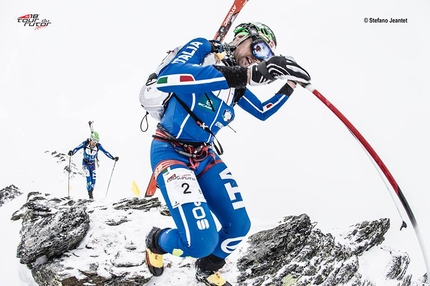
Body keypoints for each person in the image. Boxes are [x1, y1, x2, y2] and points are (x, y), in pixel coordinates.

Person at [143, 22, 311, 285]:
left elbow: (264, 111)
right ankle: (156, 241)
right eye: (258, 48)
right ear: (241, 38)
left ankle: (207, 268)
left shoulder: (236, 84)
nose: (257, 58)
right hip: (170, 150)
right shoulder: (203, 48)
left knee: (238, 226)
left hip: (204, 155)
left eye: (266, 56)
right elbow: (168, 76)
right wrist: (247, 75)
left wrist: (290, 84)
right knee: (199, 241)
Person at [68, 131, 119, 199]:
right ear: (91, 139)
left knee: (94, 181)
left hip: (92, 164)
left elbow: (105, 152)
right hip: (85, 163)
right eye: (94, 140)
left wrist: (113, 158)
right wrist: (72, 152)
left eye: (96, 141)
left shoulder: (98, 146)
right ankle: (90, 195)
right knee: (88, 175)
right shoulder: (85, 144)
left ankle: (91, 192)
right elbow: (77, 148)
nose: (94, 143)